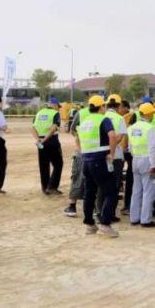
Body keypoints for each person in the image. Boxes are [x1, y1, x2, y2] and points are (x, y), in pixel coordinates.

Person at [76, 95, 119, 237]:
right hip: (100, 159)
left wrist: (83, 153)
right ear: (102, 107)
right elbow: (112, 136)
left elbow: (78, 138)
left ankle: (89, 224)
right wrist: (111, 154)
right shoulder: (104, 119)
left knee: (90, 192)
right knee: (111, 191)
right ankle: (105, 224)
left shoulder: (85, 121)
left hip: (86, 160)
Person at [127, 102, 155, 227]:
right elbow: (152, 148)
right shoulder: (149, 128)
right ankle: (145, 219)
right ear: (149, 114)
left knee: (136, 190)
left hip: (135, 160)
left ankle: (134, 218)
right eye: (152, 113)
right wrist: (153, 165)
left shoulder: (131, 128)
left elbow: (130, 147)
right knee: (148, 191)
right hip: (147, 161)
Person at [63, 101, 90, 217]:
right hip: (97, 152)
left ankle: (72, 206)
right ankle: (94, 208)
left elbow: (72, 129)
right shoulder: (103, 116)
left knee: (77, 178)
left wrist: (79, 139)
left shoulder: (81, 113)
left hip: (81, 151)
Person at [32, 97, 64, 195]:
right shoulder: (55, 113)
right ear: (54, 105)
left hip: (40, 141)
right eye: (58, 106)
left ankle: (45, 187)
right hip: (51, 140)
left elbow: (33, 127)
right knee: (58, 164)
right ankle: (52, 187)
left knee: (43, 165)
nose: (58, 108)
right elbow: (53, 128)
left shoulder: (39, 113)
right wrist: (45, 140)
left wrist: (38, 140)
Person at [103, 94, 126, 222]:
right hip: (115, 156)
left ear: (107, 105)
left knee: (102, 185)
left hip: (101, 155)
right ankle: (110, 214)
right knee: (114, 186)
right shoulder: (119, 118)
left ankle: (100, 211)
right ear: (118, 106)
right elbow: (119, 138)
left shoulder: (102, 117)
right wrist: (111, 149)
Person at [120, 100, 135, 214]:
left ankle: (128, 205)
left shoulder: (127, 117)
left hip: (127, 152)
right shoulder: (125, 117)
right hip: (134, 153)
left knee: (130, 179)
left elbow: (124, 141)